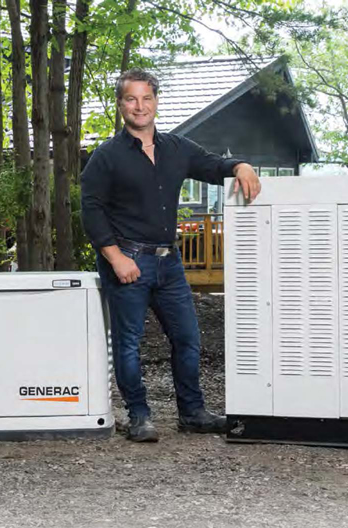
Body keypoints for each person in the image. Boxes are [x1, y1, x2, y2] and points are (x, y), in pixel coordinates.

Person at [80, 68, 262, 442]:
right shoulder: (106, 156)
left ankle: (192, 413)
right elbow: (91, 210)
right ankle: (139, 416)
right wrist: (115, 258)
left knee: (188, 338)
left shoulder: (177, 149)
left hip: (170, 263)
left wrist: (240, 166)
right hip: (128, 261)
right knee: (129, 345)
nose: (139, 106)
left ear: (156, 103)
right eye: (131, 99)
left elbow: (213, 165)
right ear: (121, 105)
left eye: (146, 98)